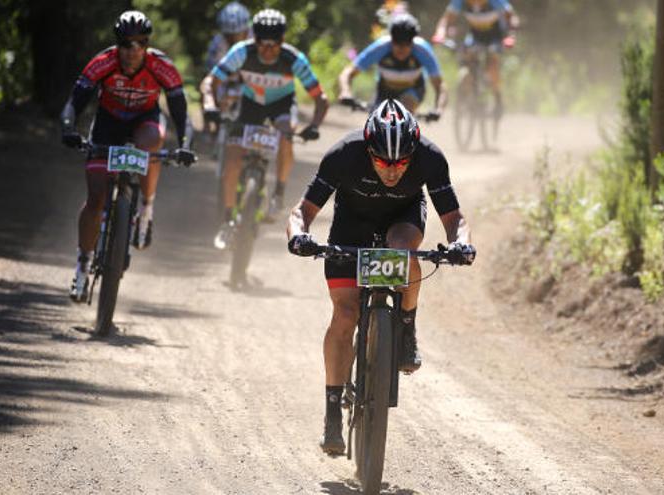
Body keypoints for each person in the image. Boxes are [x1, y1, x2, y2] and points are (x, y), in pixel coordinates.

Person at [286, 99, 476, 454]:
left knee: (402, 250)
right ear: (368, 149)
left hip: (402, 218)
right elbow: (302, 211)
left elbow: (455, 219)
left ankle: (406, 325)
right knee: (345, 315)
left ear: (413, 152)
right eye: (383, 162)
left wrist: (461, 244)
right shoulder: (344, 153)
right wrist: (299, 236)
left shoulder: (430, 158)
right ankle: (332, 414)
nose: (392, 171)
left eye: (402, 163)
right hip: (351, 225)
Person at [60, 10, 195, 303]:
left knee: (153, 142)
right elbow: (75, 101)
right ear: (117, 43)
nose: (132, 50)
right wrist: (68, 129)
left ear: (147, 44)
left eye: (140, 43)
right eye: (125, 43)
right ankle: (82, 265)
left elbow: (181, 112)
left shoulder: (162, 66)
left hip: (143, 121)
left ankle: (145, 210)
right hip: (108, 125)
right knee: (95, 199)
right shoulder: (103, 63)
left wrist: (185, 144)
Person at [201, 8, 329, 249]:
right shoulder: (241, 52)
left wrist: (313, 126)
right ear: (254, 38)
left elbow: (321, 98)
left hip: (281, 106)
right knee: (232, 159)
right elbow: (210, 81)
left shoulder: (293, 59)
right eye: (262, 42)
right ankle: (227, 220)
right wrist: (209, 105)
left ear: (283, 40)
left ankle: (278, 193)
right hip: (251, 106)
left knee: (285, 134)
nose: (268, 49)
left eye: (275, 43)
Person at [339, 13, 446, 115]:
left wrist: (439, 109)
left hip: (413, 91)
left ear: (413, 41)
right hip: (385, 91)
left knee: (404, 109)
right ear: (391, 39)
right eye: (397, 42)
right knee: (376, 123)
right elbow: (348, 72)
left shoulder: (422, 50)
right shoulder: (381, 47)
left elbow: (439, 84)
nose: (401, 48)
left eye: (406, 43)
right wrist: (345, 92)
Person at [432, 0, 518, 110]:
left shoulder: (495, 1)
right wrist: (440, 33)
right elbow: (446, 19)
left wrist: (511, 36)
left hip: (495, 38)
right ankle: (469, 94)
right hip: (475, 38)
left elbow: (511, 17)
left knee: (493, 65)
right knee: (468, 59)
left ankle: (497, 97)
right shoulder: (460, 2)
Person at [202, 2, 252, 134]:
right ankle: (211, 126)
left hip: (248, 78)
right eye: (229, 35)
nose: (233, 39)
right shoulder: (217, 43)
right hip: (224, 78)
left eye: (237, 34)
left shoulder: (255, 40)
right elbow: (211, 74)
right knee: (207, 87)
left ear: (246, 30)